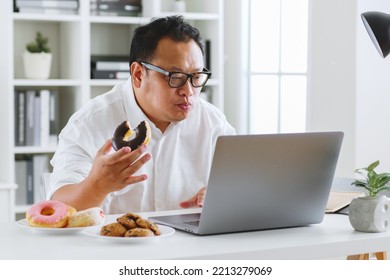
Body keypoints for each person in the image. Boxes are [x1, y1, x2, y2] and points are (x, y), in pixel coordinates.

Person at [48, 15, 235, 214]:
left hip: (191, 244)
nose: (188, 91)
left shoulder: (213, 123)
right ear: (138, 74)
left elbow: (240, 184)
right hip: (111, 244)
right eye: (176, 77)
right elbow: (57, 208)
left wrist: (221, 196)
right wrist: (96, 186)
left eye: (196, 77)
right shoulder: (89, 123)